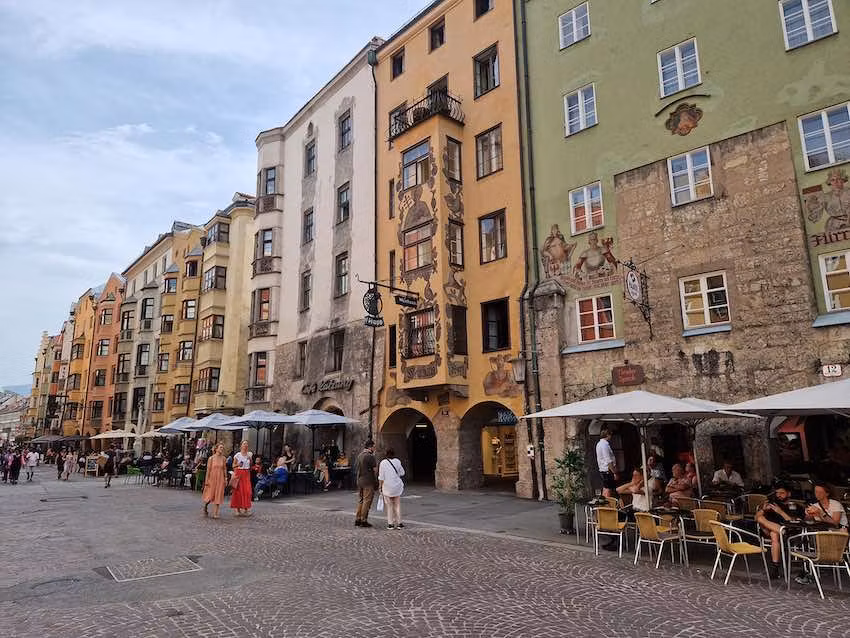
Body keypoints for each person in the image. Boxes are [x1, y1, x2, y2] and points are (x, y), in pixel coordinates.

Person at [756, 484, 800, 579]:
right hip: (768, 530)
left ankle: (775, 568)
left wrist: (780, 512)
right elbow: (756, 518)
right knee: (760, 518)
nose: (779, 495)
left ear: (789, 494)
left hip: (788, 530)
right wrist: (763, 510)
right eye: (777, 493)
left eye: (782, 493)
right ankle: (783, 531)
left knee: (774, 534)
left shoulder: (794, 506)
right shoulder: (772, 503)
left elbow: (794, 523)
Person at [378, 448, 406, 530]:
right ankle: (399, 523)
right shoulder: (397, 461)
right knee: (397, 504)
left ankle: (390, 524)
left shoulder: (383, 463)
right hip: (396, 486)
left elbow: (381, 477)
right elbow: (402, 473)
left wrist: (380, 486)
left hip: (387, 486)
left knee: (389, 506)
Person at [354, 440, 378, 528]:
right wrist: (376, 481)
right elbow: (375, 470)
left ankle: (358, 518)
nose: (374, 448)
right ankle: (364, 520)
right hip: (368, 481)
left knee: (361, 500)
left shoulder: (360, 455)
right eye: (374, 447)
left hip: (360, 480)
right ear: (370, 447)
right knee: (367, 501)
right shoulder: (370, 456)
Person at [202, 443, 227, 519]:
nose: (221, 449)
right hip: (212, 478)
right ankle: (206, 505)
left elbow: (224, 469)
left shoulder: (223, 458)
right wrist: (207, 480)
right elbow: (208, 470)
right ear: (216, 449)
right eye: (220, 447)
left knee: (218, 494)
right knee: (210, 495)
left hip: (220, 478)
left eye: (222, 448)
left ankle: (215, 513)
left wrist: (226, 478)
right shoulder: (211, 458)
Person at [230, 441, 253, 516]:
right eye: (244, 444)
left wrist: (251, 459)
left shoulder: (249, 454)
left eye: (247, 444)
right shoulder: (238, 455)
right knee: (238, 491)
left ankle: (246, 509)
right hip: (239, 473)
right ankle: (237, 509)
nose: (246, 445)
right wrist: (238, 465)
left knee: (247, 491)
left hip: (246, 474)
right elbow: (233, 465)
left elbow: (251, 465)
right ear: (241, 446)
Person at [595, 428, 618, 498]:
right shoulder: (604, 445)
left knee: (605, 487)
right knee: (609, 488)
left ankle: (604, 503)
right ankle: (607, 504)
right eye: (610, 435)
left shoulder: (599, 444)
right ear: (607, 435)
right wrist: (614, 472)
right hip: (607, 470)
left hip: (603, 469)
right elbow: (608, 460)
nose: (611, 437)